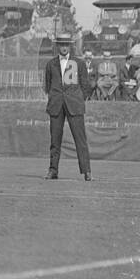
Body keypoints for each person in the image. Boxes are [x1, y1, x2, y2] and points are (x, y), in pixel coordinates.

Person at [43, 34, 92, 181]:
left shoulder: (79, 63)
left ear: (70, 46)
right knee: (55, 140)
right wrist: (55, 97)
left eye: (66, 44)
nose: (64, 47)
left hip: (74, 105)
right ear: (57, 46)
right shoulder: (50, 64)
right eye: (61, 44)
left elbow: (86, 86)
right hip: (56, 105)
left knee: (80, 139)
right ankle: (53, 170)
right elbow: (47, 85)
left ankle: (86, 171)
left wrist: (77, 98)